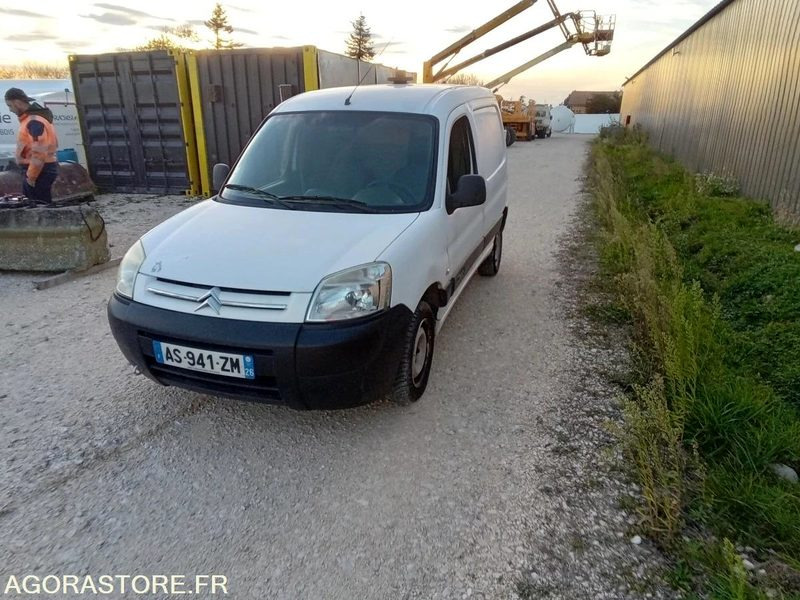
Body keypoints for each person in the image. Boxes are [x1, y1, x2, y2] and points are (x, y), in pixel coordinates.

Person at [4, 87, 59, 203]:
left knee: (38, 208)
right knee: (40, 206)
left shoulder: (33, 122)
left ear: (17, 102)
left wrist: (31, 177)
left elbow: (39, 152)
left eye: (10, 105)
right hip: (43, 169)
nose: (10, 110)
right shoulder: (33, 120)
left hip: (40, 171)